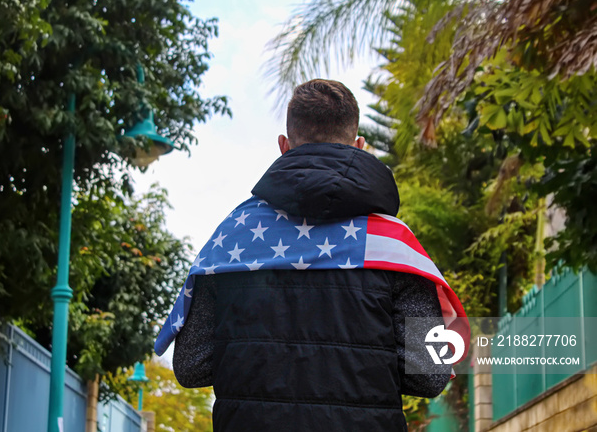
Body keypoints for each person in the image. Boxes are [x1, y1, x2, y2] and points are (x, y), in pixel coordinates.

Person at [155, 79, 469, 431]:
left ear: (284, 146)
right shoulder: (394, 245)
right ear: (360, 146)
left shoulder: (230, 241)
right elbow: (430, 374)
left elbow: (191, 366)